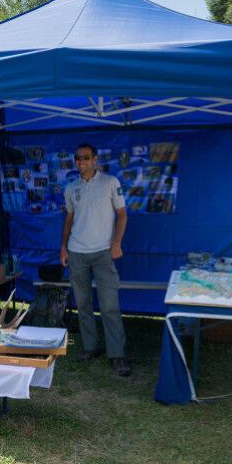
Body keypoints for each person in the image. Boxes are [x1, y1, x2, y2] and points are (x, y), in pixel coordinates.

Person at [60, 143, 130, 377]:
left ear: (95, 160)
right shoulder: (71, 188)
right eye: (77, 158)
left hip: (103, 252)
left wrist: (117, 242)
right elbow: (69, 218)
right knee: (83, 304)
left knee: (110, 305)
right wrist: (63, 247)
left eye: (86, 157)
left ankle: (117, 354)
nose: (81, 162)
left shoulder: (111, 182)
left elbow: (122, 215)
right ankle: (90, 347)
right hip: (77, 252)